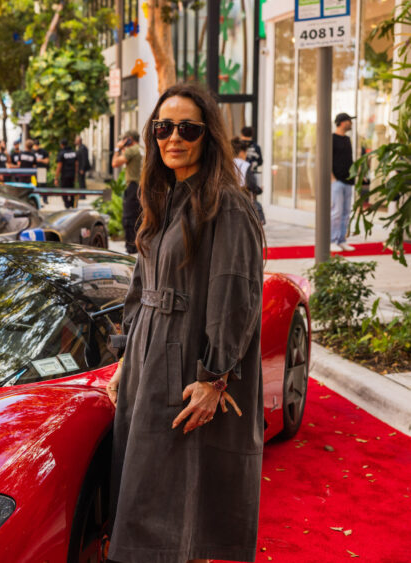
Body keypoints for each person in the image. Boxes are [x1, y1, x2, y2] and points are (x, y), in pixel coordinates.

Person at [105, 83, 264, 563]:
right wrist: (125, 358)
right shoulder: (161, 196)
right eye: (163, 127)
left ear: (207, 135)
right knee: (149, 492)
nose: (173, 138)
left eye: (187, 129)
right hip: (146, 360)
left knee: (182, 500)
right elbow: (140, 285)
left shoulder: (227, 203)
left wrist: (214, 377)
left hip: (188, 362)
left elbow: (236, 295)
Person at [112, 130, 142, 254]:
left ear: (129, 139)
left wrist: (117, 149)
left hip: (133, 187)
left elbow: (115, 163)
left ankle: (131, 248)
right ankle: (139, 245)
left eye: (124, 139)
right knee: (139, 217)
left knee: (128, 218)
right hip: (143, 187)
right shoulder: (141, 149)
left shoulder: (131, 150)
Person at [331, 112, 356, 252]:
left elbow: (349, 160)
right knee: (336, 212)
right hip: (337, 181)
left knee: (346, 213)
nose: (350, 123)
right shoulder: (331, 139)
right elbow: (327, 159)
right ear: (341, 122)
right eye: (349, 121)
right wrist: (332, 178)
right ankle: (332, 240)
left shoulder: (347, 139)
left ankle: (341, 240)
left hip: (348, 181)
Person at [55, 139, 79, 209]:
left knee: (63, 190)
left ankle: (67, 204)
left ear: (61, 145)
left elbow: (59, 165)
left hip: (65, 175)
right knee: (72, 189)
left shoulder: (62, 153)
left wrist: (56, 177)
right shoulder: (73, 152)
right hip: (72, 174)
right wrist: (76, 175)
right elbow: (76, 164)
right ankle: (72, 203)